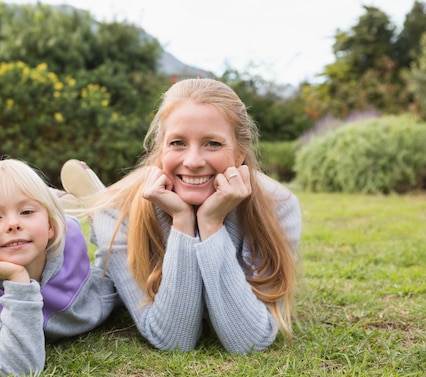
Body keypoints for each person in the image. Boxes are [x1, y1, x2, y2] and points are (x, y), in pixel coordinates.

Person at [61, 78, 301, 354]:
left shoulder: (279, 206)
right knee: (100, 297)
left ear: (239, 154)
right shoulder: (117, 212)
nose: (193, 161)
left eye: (212, 143)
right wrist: (182, 222)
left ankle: (95, 201)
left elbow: (250, 340)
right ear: (160, 149)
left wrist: (211, 223)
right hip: (117, 211)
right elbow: (175, 339)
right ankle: (92, 208)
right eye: (178, 143)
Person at [0, 158, 117, 377]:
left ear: (51, 227)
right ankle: (50, 201)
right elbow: (21, 368)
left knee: (117, 254)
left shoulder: (67, 234)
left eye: (26, 212)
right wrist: (18, 281)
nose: (13, 224)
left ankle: (99, 210)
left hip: (100, 293)